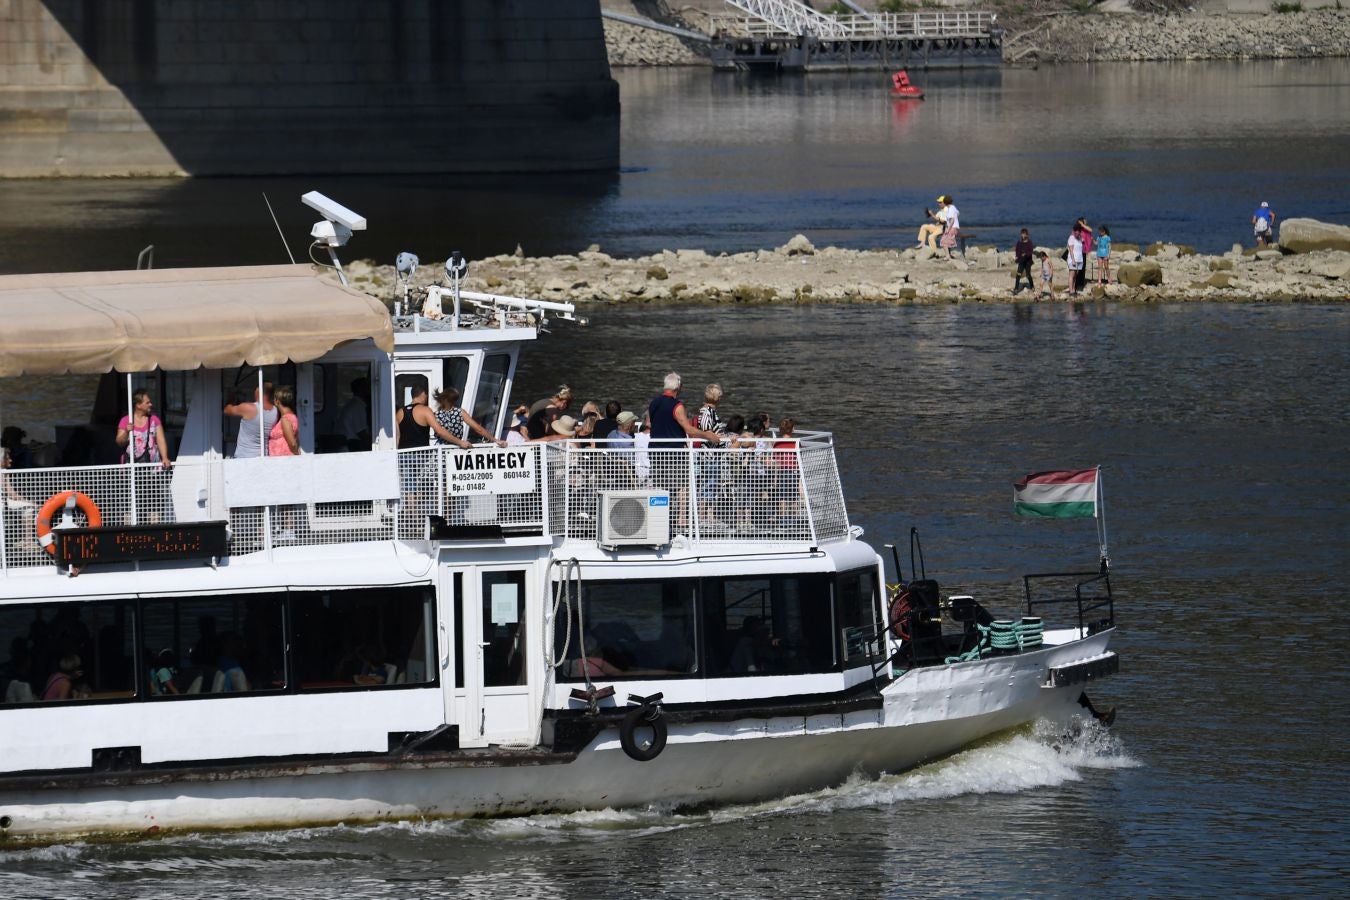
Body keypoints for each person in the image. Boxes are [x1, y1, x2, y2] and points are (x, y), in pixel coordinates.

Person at [431, 387, 504, 449]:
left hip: (441, 449)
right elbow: (478, 429)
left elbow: (442, 433)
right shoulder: (459, 412)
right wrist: (495, 440)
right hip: (455, 448)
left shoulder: (435, 415)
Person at [116, 389, 171, 469]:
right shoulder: (125, 420)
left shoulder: (154, 420)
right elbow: (119, 442)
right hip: (131, 467)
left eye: (150, 402)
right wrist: (126, 431)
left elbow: (161, 440)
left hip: (152, 467)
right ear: (138, 405)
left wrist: (165, 458)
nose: (151, 404)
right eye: (147, 403)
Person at [395, 385, 460, 448]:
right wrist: (460, 442)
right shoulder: (425, 410)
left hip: (402, 453)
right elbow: (440, 431)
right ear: (423, 394)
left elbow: (397, 436)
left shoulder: (399, 412)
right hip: (420, 453)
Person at [224, 382, 277, 459]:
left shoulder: (249, 408)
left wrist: (231, 396)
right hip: (263, 457)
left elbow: (227, 410)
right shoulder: (276, 411)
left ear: (258, 390)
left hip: (244, 458)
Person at [336, 376, 371, 451]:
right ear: (361, 389)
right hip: (351, 445)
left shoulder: (352, 403)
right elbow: (361, 433)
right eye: (367, 386)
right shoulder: (357, 406)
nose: (370, 389)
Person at [268, 385, 300, 456]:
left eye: (274, 399)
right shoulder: (291, 416)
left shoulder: (285, 419)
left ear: (277, 401)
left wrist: (298, 458)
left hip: (284, 459)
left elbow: (293, 444)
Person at [1013, 228, 1035, 295]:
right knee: (1018, 275)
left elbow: (1031, 252)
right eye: (1022, 234)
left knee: (1028, 275)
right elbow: (1017, 250)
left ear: (1027, 235)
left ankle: (1032, 286)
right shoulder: (1019, 242)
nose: (1023, 235)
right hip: (1021, 261)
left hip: (1028, 261)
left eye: (1024, 234)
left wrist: (1025, 254)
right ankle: (1016, 289)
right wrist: (1017, 256)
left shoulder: (1029, 242)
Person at [1065, 227, 1084, 296]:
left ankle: (1073, 289)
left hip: (1079, 259)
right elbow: (1070, 250)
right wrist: (1073, 260)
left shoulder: (1080, 238)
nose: (1077, 232)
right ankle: (1071, 291)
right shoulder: (1071, 238)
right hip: (1073, 260)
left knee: (1075, 276)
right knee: (1071, 275)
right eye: (1075, 231)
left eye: (1078, 231)